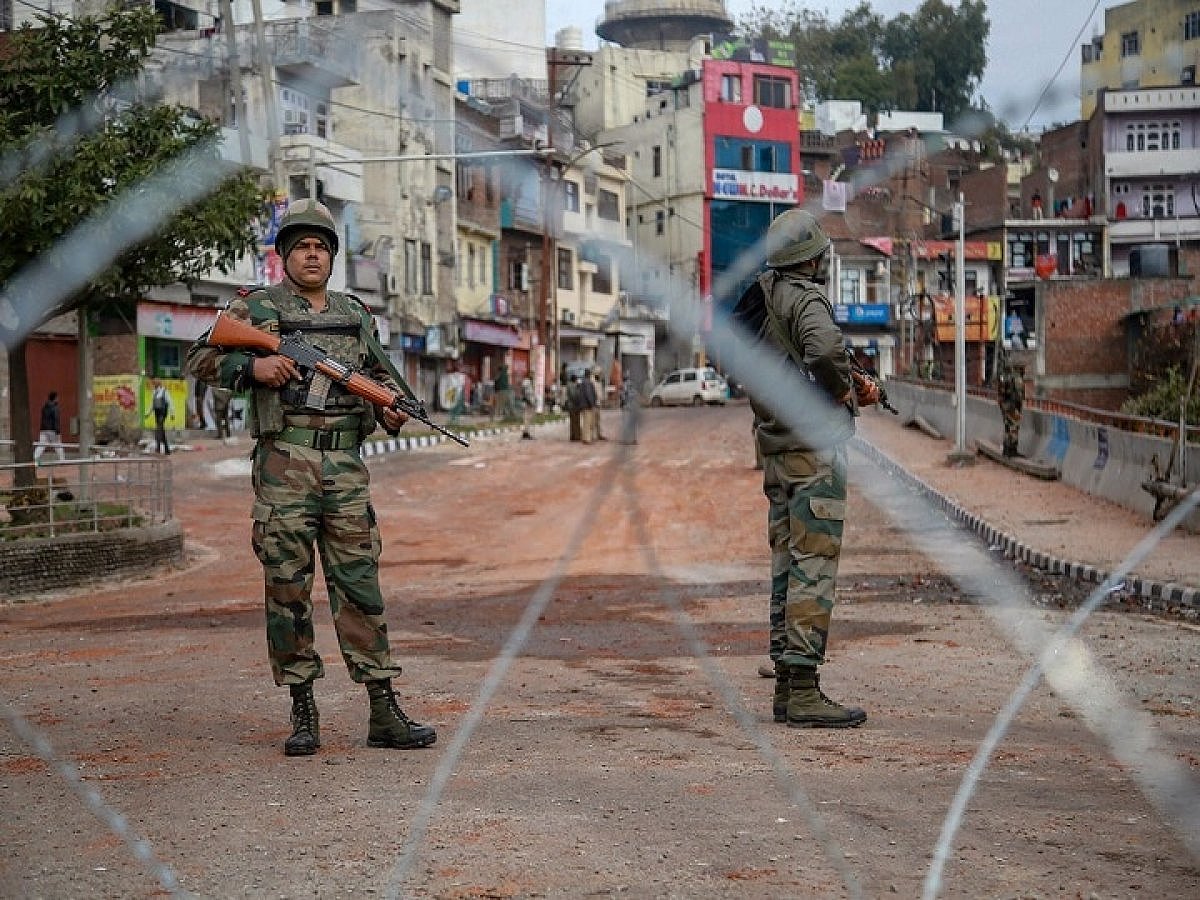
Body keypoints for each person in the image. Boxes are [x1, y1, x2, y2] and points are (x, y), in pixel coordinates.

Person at [185, 198, 436, 757]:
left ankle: (382, 708)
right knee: (287, 586)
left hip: (346, 468)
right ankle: (302, 708)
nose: (313, 255)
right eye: (302, 246)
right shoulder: (255, 309)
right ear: (283, 256)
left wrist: (392, 411)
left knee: (360, 586)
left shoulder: (355, 315)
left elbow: (376, 381)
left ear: (333, 256)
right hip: (284, 466)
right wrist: (253, 367)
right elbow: (198, 360)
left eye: (321, 246)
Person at [736, 208, 877, 729]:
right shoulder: (805, 297)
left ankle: (786, 682)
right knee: (813, 566)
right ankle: (803, 691)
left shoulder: (762, 295)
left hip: (774, 446)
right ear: (812, 258)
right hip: (811, 450)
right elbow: (822, 348)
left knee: (787, 564)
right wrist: (843, 388)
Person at [997, 348, 1024, 458]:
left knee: (1008, 426)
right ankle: (1012, 449)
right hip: (1011, 404)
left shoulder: (1003, 376)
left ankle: (1006, 449)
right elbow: (1018, 394)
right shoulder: (1015, 377)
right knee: (1014, 426)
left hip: (1005, 404)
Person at [33, 391, 66, 462]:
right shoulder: (55, 408)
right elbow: (56, 419)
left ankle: (34, 457)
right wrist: (57, 431)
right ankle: (62, 459)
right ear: (55, 398)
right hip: (52, 430)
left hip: (44, 429)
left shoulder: (44, 407)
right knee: (58, 445)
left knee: (41, 445)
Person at [151, 379, 171, 455]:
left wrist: (172, 413)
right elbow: (152, 405)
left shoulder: (164, 391)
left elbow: (170, 402)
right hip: (157, 413)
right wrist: (148, 413)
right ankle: (167, 449)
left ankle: (158, 448)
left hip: (163, 413)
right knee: (161, 431)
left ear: (158, 384)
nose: (154, 386)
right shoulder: (154, 392)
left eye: (155, 384)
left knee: (158, 430)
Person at [578, 367, 598, 444]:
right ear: (589, 374)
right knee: (588, 422)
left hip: (583, 404)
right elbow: (588, 394)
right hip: (587, 405)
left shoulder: (582, 382)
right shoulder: (588, 383)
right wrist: (592, 403)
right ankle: (587, 438)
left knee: (585, 421)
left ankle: (584, 437)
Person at [565, 373, 583, 442]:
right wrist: (578, 388)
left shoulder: (569, 385)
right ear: (575, 379)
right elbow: (574, 395)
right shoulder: (573, 386)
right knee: (576, 421)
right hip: (574, 406)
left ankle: (573, 435)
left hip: (571, 406)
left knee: (573, 421)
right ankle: (576, 436)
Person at [520, 373, 535, 440]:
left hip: (529, 401)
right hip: (528, 402)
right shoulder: (527, 382)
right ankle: (525, 433)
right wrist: (528, 400)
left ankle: (526, 432)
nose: (533, 376)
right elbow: (525, 392)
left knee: (528, 418)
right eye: (532, 375)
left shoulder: (528, 382)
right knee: (527, 418)